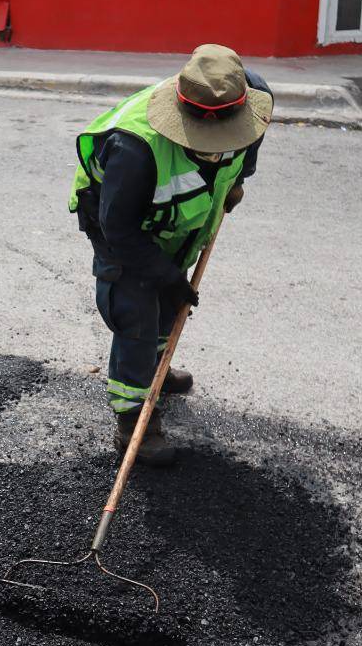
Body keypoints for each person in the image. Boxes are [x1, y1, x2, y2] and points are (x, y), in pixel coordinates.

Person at [70, 44, 273, 465]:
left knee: (169, 305)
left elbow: (251, 142)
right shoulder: (135, 149)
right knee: (136, 315)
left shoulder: (251, 93)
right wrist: (166, 275)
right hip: (121, 229)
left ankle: (155, 375)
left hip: (180, 223)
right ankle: (133, 422)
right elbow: (120, 229)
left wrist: (238, 181)